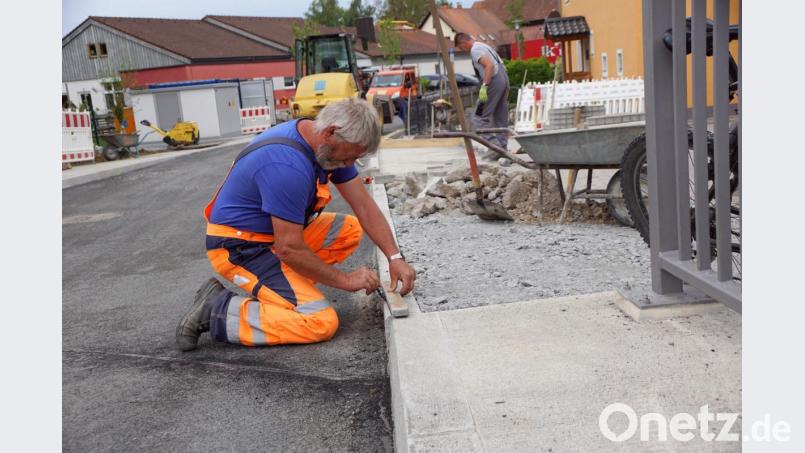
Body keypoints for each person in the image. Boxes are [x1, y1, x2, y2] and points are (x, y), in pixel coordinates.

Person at [176, 98, 416, 351]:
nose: (348, 165)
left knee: (347, 230)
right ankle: (217, 308)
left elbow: (364, 206)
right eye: (351, 156)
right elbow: (288, 248)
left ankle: (284, 295)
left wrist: (394, 256)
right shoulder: (286, 165)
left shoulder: (326, 147)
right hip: (239, 247)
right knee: (320, 322)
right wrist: (346, 280)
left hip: (271, 238)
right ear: (331, 133)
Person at [453, 32, 510, 152]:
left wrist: (484, 86)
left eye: (462, 48)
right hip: (503, 79)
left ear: (464, 43)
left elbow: (489, 66)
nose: (464, 51)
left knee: (478, 118)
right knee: (500, 116)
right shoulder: (484, 45)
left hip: (493, 81)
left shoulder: (475, 50)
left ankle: (496, 148)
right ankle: (503, 147)